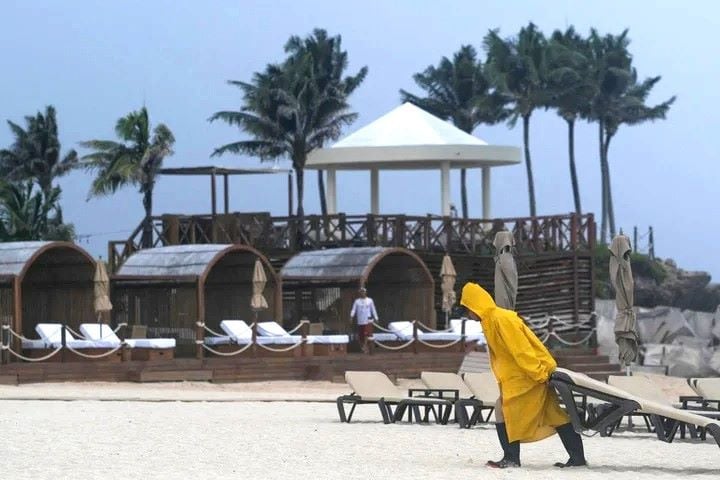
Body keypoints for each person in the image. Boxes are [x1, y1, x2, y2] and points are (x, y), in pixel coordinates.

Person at [459, 282, 587, 469]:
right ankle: (577, 459)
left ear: (474, 306)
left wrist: (538, 374)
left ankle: (511, 458)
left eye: (467, 310)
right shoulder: (492, 319)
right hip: (527, 374)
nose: (469, 316)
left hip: (528, 376)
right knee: (556, 415)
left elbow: (521, 349)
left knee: (503, 409)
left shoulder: (499, 319)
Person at [350, 287, 378, 353]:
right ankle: (363, 347)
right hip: (360, 320)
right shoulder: (357, 301)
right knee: (361, 335)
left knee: (367, 334)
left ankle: (365, 346)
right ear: (359, 293)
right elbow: (353, 309)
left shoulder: (370, 300)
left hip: (368, 320)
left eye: (363, 292)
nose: (362, 293)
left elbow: (373, 309)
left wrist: (376, 317)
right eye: (361, 292)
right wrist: (351, 316)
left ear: (365, 292)